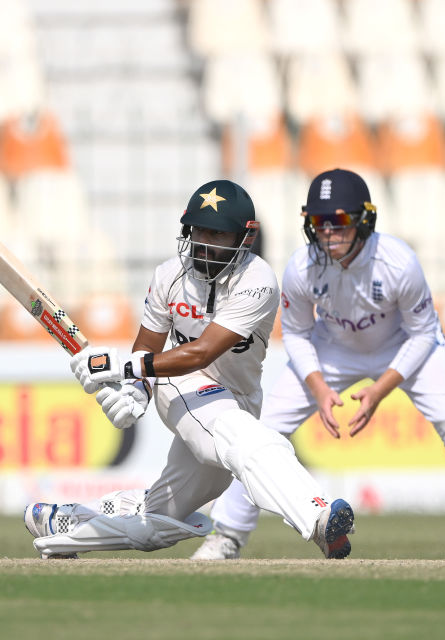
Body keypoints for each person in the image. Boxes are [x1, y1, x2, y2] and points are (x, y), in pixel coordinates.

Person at [192, 168, 445, 562]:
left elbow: (423, 333)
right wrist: (319, 388)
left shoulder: (398, 261)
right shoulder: (302, 266)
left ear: (363, 220)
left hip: (403, 343)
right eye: (319, 223)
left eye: (338, 222)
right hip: (332, 346)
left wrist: (380, 389)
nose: (328, 233)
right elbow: (299, 335)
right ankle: (226, 535)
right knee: (261, 432)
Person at [22, 179, 355, 559]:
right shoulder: (169, 276)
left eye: (218, 234)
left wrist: (124, 367)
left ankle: (64, 520)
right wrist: (137, 390)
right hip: (182, 385)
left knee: (158, 522)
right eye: (199, 230)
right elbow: (150, 346)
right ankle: (318, 517)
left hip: (238, 394)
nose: (205, 241)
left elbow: (203, 351)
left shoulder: (258, 281)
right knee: (244, 436)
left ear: (244, 239)